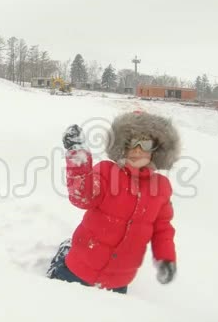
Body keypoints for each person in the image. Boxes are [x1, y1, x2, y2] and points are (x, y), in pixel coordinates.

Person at [47, 111, 180, 294]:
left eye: (146, 144)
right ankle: (64, 255)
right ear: (122, 146)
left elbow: (162, 228)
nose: (138, 149)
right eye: (132, 142)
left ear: (155, 151)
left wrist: (166, 258)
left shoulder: (161, 187)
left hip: (118, 281)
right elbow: (82, 197)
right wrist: (79, 157)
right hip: (78, 268)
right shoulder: (107, 172)